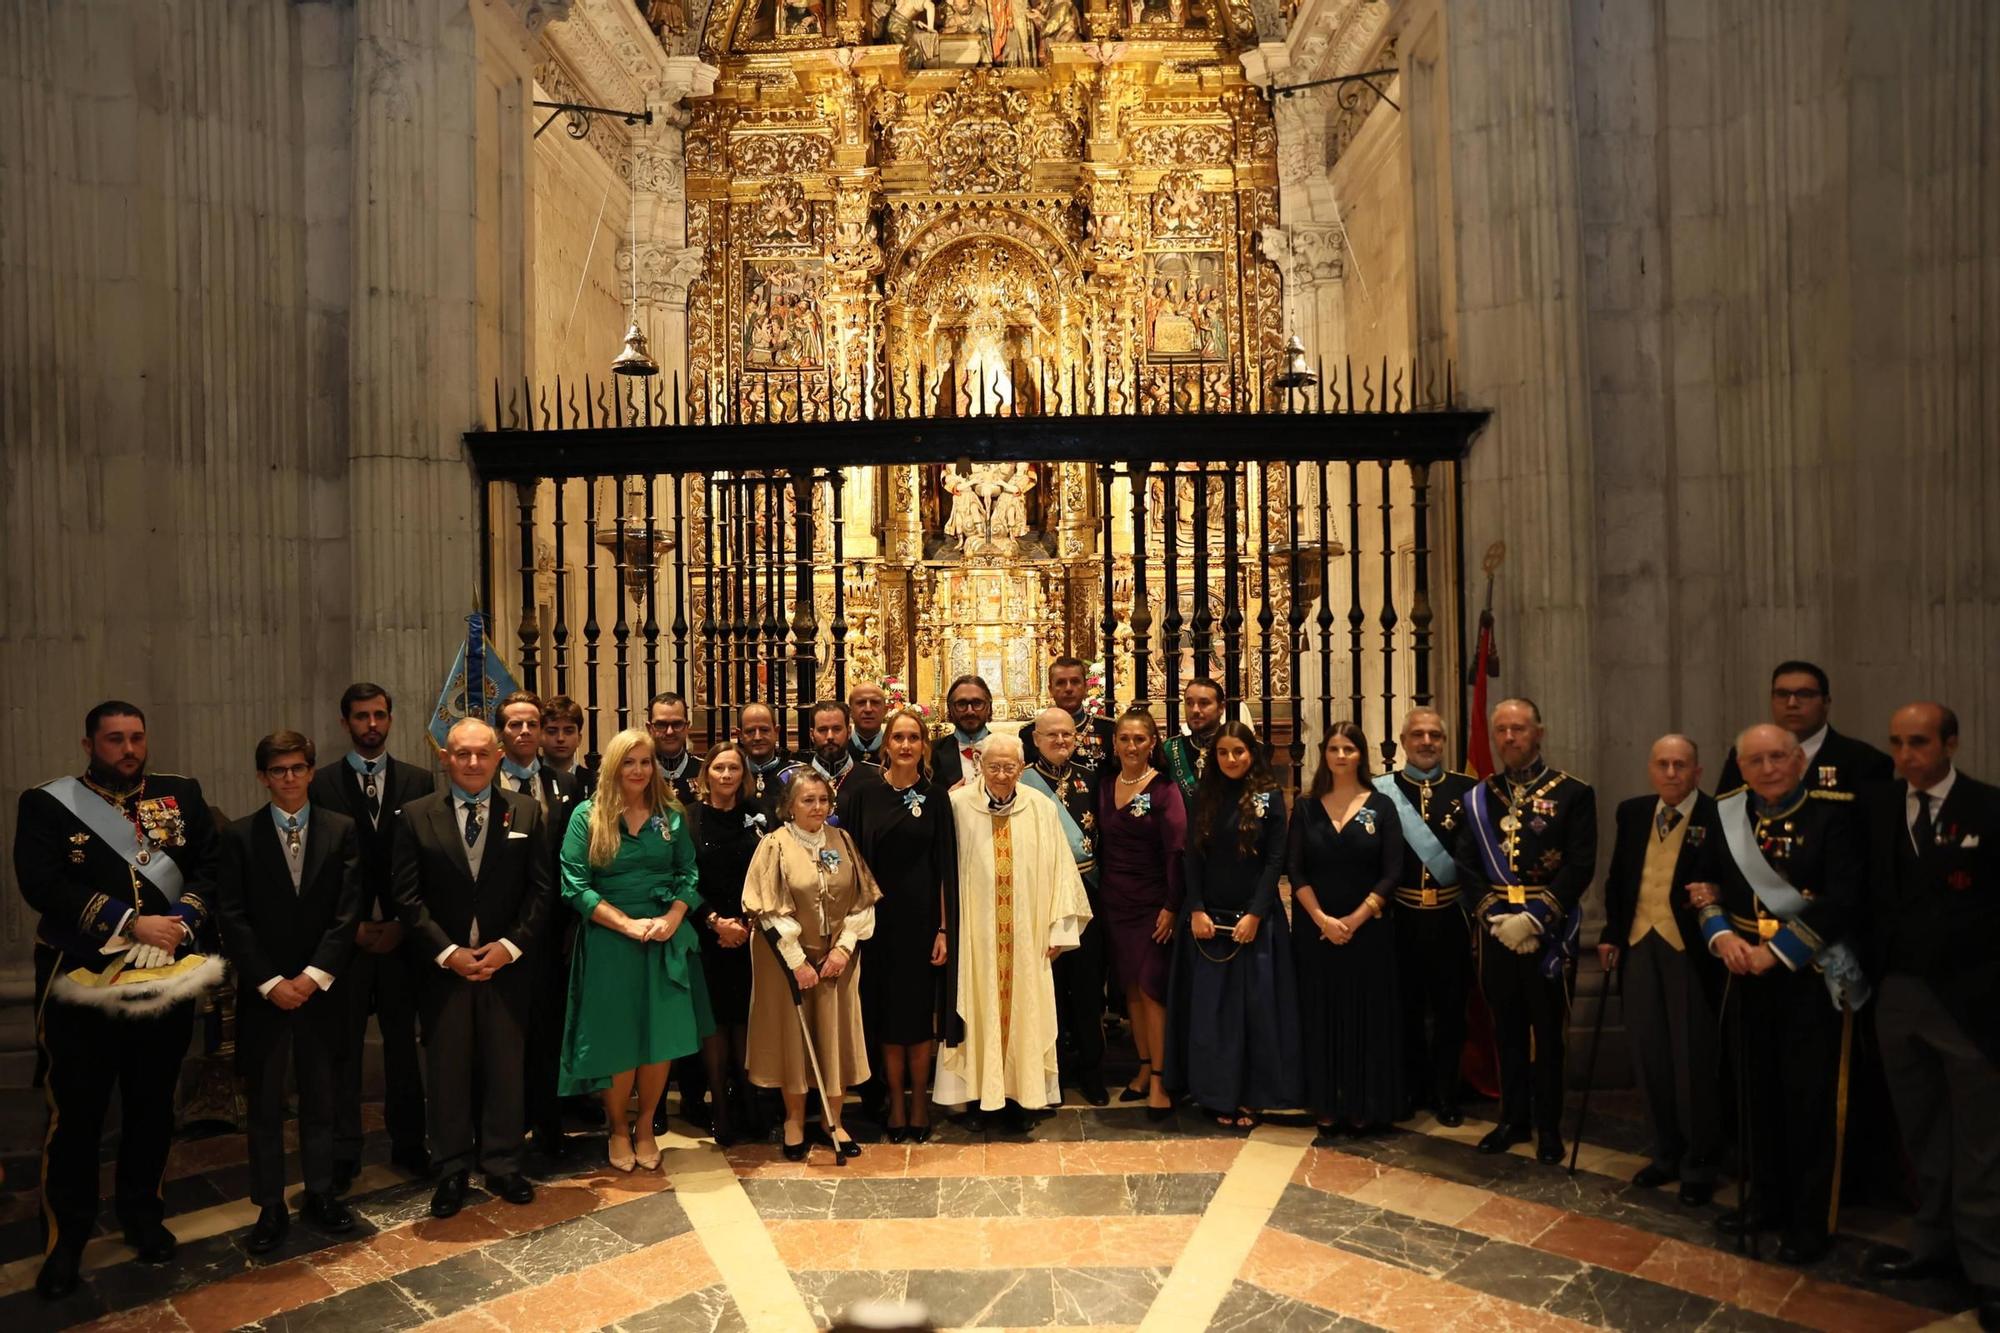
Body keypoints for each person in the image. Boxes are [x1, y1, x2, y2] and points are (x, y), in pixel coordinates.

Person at [15, 701, 220, 1299]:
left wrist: (182, 919)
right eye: (114, 739)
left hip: (163, 977)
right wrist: (131, 922)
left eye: (136, 738)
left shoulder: (180, 794)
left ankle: (142, 1215)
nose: (128, 749)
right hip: (82, 982)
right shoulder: (48, 804)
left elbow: (210, 867)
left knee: (152, 1104)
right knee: (77, 1115)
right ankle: (66, 1239)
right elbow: (42, 883)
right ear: (89, 745)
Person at [1688, 723, 1866, 1265]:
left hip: (1809, 977)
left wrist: (1780, 950)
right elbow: (1703, 884)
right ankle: (1766, 1200)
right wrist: (1721, 937)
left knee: (1808, 1102)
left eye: (1778, 757)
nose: (1767, 768)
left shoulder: (1834, 815)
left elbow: (1844, 899)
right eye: (1755, 760)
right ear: (1740, 768)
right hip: (1744, 969)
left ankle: (1810, 1223)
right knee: (1756, 1095)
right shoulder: (1728, 813)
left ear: (1799, 761)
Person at [1861, 703, 1999, 1321]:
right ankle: (1932, 1245)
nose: (1905, 756)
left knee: (1981, 1141)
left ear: (1951, 743)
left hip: (1971, 1001)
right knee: (1921, 1130)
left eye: (1918, 742)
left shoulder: (1988, 808)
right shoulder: (1879, 807)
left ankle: (1987, 1267)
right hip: (1897, 994)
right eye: (1896, 743)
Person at [390, 716, 553, 1218]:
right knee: (448, 1071)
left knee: (506, 1068)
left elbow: (542, 890)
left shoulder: (526, 811)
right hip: (444, 970)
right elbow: (407, 897)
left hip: (508, 968)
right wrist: (448, 953)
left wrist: (510, 947)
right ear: (445, 758)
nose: (474, 762)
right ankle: (452, 1168)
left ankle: (503, 1163)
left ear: (499, 756)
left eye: (483, 753)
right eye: (462, 753)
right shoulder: (416, 815)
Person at [214, 731, 365, 1252]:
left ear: (311, 771)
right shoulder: (240, 836)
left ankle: (321, 1192)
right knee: (265, 1105)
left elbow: (348, 911)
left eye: (298, 768)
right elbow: (232, 916)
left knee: (322, 1096)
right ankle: (270, 1205)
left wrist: (314, 975)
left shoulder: (341, 829)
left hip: (321, 990)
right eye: (278, 770)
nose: (290, 778)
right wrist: (271, 982)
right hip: (267, 993)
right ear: (263, 777)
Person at [557, 728, 713, 1172]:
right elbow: (574, 884)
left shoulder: (671, 814)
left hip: (662, 937)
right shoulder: (588, 816)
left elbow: (688, 873)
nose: (639, 770)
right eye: (629, 762)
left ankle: (645, 1126)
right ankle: (618, 1129)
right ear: (613, 766)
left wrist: (674, 917)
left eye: (646, 762)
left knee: (660, 1039)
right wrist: (626, 924)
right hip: (610, 939)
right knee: (618, 1038)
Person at [1453, 697, 1597, 1165]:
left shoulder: (1574, 793)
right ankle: (1512, 1119)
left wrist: (1535, 918)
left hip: (1548, 934)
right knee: (1507, 1029)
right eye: (1501, 730)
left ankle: (1548, 1126)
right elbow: (1465, 864)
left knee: (1549, 1034)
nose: (1509, 737)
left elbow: (1580, 865)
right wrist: (1495, 916)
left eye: (1518, 728)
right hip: (1497, 932)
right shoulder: (1480, 797)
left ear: (1539, 732)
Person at [307, 682, 435, 1185]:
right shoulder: (321, 784)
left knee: (404, 1047)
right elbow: (318, 870)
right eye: (361, 716)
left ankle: (410, 1142)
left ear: (390, 718)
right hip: (347, 939)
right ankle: (345, 1151)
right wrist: (351, 927)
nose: (372, 725)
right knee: (345, 1049)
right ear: (345, 723)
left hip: (404, 938)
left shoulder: (419, 780)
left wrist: (405, 922)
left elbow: (427, 861)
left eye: (379, 715)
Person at [936, 735, 1092, 1126]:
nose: (1002, 775)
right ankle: (977, 1098)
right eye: (994, 767)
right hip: (975, 937)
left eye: (1009, 767)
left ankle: (1023, 1098)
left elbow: (1061, 869)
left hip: (1027, 935)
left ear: (1021, 768)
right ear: (979, 766)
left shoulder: (1040, 808)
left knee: (1027, 1012)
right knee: (976, 1008)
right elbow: (941, 871)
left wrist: (1059, 929)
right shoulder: (957, 806)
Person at [1596, 735, 1723, 1206]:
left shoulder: (1717, 816)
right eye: (1663, 764)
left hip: (1689, 948)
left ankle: (1700, 1161)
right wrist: (1611, 932)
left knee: (1693, 1059)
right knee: (1648, 1054)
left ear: (1697, 771)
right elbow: (1618, 879)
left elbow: (1730, 880)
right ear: (1651, 769)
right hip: (1638, 944)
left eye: (1680, 765)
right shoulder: (1632, 813)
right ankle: (1665, 1152)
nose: (1671, 773)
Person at [1166, 721, 1299, 1128]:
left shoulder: (1269, 797)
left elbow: (1275, 860)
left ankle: (1252, 1096)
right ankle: (1215, 1093)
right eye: (1223, 752)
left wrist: (1256, 913)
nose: (1230, 759)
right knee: (1213, 1015)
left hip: (1256, 921)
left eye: (1238, 752)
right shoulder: (1203, 795)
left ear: (1251, 754)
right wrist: (1197, 909)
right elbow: (1192, 857)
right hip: (1209, 921)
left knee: (1255, 1012)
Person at [744, 770, 880, 1161]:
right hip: (786, 961)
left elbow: (862, 900)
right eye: (808, 800)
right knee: (793, 1038)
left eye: (823, 800)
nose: (817, 807)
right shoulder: (775, 845)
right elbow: (767, 909)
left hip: (836, 960)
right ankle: (794, 1120)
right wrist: (797, 962)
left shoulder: (842, 840)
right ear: (789, 805)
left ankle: (833, 1120)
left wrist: (843, 949)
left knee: (835, 1034)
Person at [838, 706, 958, 1141]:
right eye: (898, 737)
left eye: (914, 738)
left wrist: (944, 929)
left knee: (918, 1017)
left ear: (924, 746)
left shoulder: (936, 797)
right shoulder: (864, 794)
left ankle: (919, 1103)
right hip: (878, 923)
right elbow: (851, 861)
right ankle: (895, 1101)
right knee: (886, 1016)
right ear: (886, 745)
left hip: (922, 923)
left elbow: (945, 866)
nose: (906, 745)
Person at [1290, 723, 1404, 1141]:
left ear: (1361, 755)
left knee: (1364, 1016)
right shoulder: (1306, 807)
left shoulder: (1381, 806)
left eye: (1349, 749)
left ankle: (1362, 1103)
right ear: (1324, 754)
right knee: (1320, 1014)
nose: (1341, 756)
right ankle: (1325, 1102)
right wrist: (1322, 919)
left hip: (1367, 932)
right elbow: (1295, 869)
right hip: (1316, 931)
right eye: (1334, 748)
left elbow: (1392, 871)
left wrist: (1354, 920)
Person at [496, 690, 586, 1160]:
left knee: (548, 1030)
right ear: (501, 733)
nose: (527, 732)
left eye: (533, 724)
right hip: (500, 932)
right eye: (516, 724)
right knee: (503, 1034)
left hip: (552, 932)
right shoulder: (485, 782)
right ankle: (505, 1126)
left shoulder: (563, 784)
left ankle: (549, 1125)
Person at [1375, 708, 1476, 1126]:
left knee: (1451, 1011)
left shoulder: (1468, 791)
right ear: (1403, 741)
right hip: (1401, 917)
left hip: (1451, 918)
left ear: (1444, 741)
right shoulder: (1382, 792)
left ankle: (1446, 1093)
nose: (1427, 742)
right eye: (1418, 734)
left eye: (1435, 735)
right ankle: (1411, 1088)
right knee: (1406, 1010)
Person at [1095, 707, 1184, 1117]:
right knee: (1130, 986)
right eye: (1125, 739)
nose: (1131, 746)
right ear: (1115, 744)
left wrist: (1171, 906)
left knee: (1151, 989)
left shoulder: (1164, 789)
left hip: (1152, 904)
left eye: (1139, 739)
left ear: (1153, 744)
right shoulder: (1106, 785)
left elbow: (1176, 851)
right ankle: (1144, 1066)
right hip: (1115, 901)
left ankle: (1162, 1080)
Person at [1022, 706, 1109, 1105]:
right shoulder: (1023, 782)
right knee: (1049, 990)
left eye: (1067, 734)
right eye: (1051, 735)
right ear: (1035, 739)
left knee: (1088, 988)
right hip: (1042, 899)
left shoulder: (1092, 779)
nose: (1060, 741)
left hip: (1086, 894)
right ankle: (1051, 1074)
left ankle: (1092, 1071)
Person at [688, 743, 768, 1146]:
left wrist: (749, 923)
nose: (726, 775)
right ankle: (719, 1105)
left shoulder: (759, 817)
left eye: (733, 768)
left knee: (746, 1020)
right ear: (707, 773)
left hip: (751, 934)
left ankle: (749, 1102)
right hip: (708, 933)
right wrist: (715, 922)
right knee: (715, 1023)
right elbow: (682, 876)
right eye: (718, 767)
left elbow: (770, 872)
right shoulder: (690, 818)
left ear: (743, 774)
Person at [1715, 661, 1892, 797]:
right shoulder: (1747, 754)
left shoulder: (1865, 761)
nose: (1792, 703)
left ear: (1826, 702)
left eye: (1804, 694)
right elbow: (1725, 817)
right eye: (1782, 694)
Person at [1023, 657, 1113, 775]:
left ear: (1086, 687)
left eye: (1075, 682)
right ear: (1050, 690)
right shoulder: (1029, 732)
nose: (1068, 688)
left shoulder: (1107, 730)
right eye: (1060, 683)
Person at [781, 699, 881, 804]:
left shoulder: (873, 777)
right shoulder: (793, 779)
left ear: (849, 732)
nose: (830, 736)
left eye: (837, 729)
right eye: (822, 730)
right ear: (812, 734)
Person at [1161, 677, 1225, 800]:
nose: (1195, 710)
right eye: (1189, 703)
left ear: (1221, 708)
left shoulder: (1239, 749)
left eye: (1204, 703)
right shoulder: (1169, 750)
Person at [932, 674, 996, 789]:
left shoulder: (1009, 749)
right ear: (950, 709)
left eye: (977, 703)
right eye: (961, 704)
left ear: (989, 707)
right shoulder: (931, 752)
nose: (970, 711)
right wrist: (946, 798)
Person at [648, 691, 700, 805]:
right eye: (661, 725)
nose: (669, 732)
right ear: (649, 728)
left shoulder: (704, 771)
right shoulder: (640, 774)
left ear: (687, 727)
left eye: (677, 724)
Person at [737, 701, 791, 809]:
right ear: (740, 735)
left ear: (776, 732)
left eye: (764, 730)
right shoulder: (732, 776)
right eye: (750, 731)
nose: (757, 737)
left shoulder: (794, 775)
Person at [541, 694, 594, 790]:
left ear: (579, 739)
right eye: (552, 731)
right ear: (540, 737)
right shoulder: (530, 779)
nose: (560, 738)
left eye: (568, 731)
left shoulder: (595, 783)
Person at [848, 682, 889, 764]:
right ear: (850, 711)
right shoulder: (840, 749)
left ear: (885, 710)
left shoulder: (895, 749)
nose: (868, 709)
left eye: (875, 703)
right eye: (861, 703)